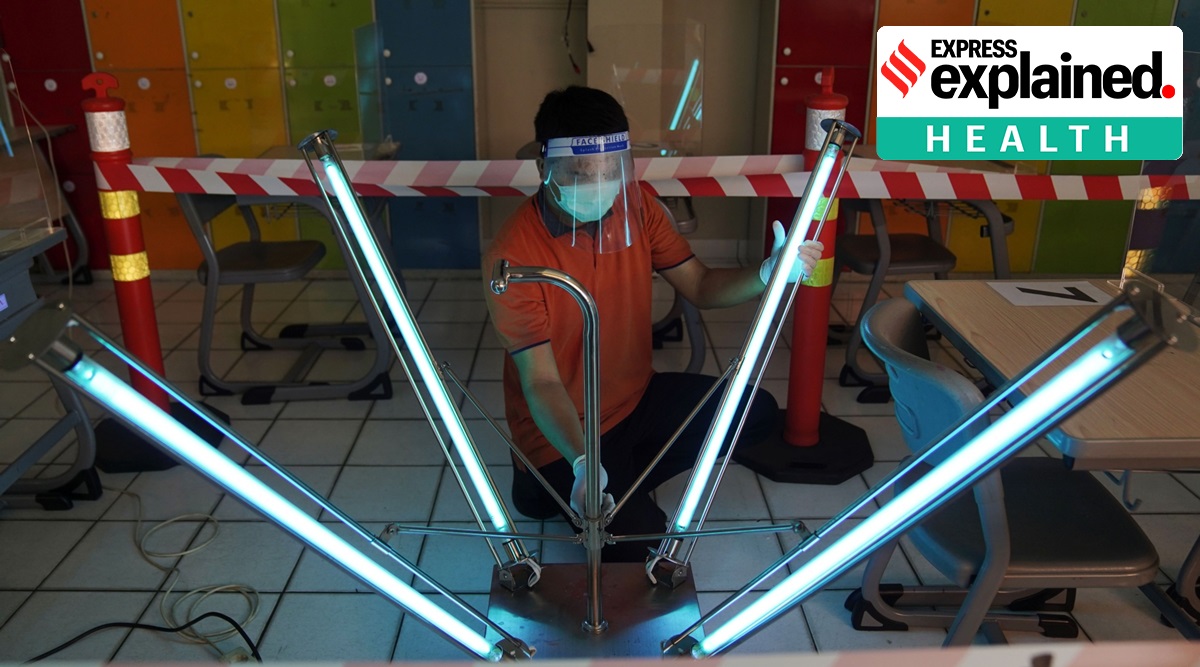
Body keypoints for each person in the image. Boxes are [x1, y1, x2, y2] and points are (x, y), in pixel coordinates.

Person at [482, 86, 823, 562]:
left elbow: (701, 285)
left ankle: (621, 474)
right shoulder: (513, 256)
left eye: (610, 172)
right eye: (582, 175)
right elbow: (540, 380)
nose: (600, 186)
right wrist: (584, 461)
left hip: (634, 400)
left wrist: (768, 272)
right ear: (545, 170)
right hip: (561, 433)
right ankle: (555, 478)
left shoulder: (637, 204)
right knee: (640, 546)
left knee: (756, 412)